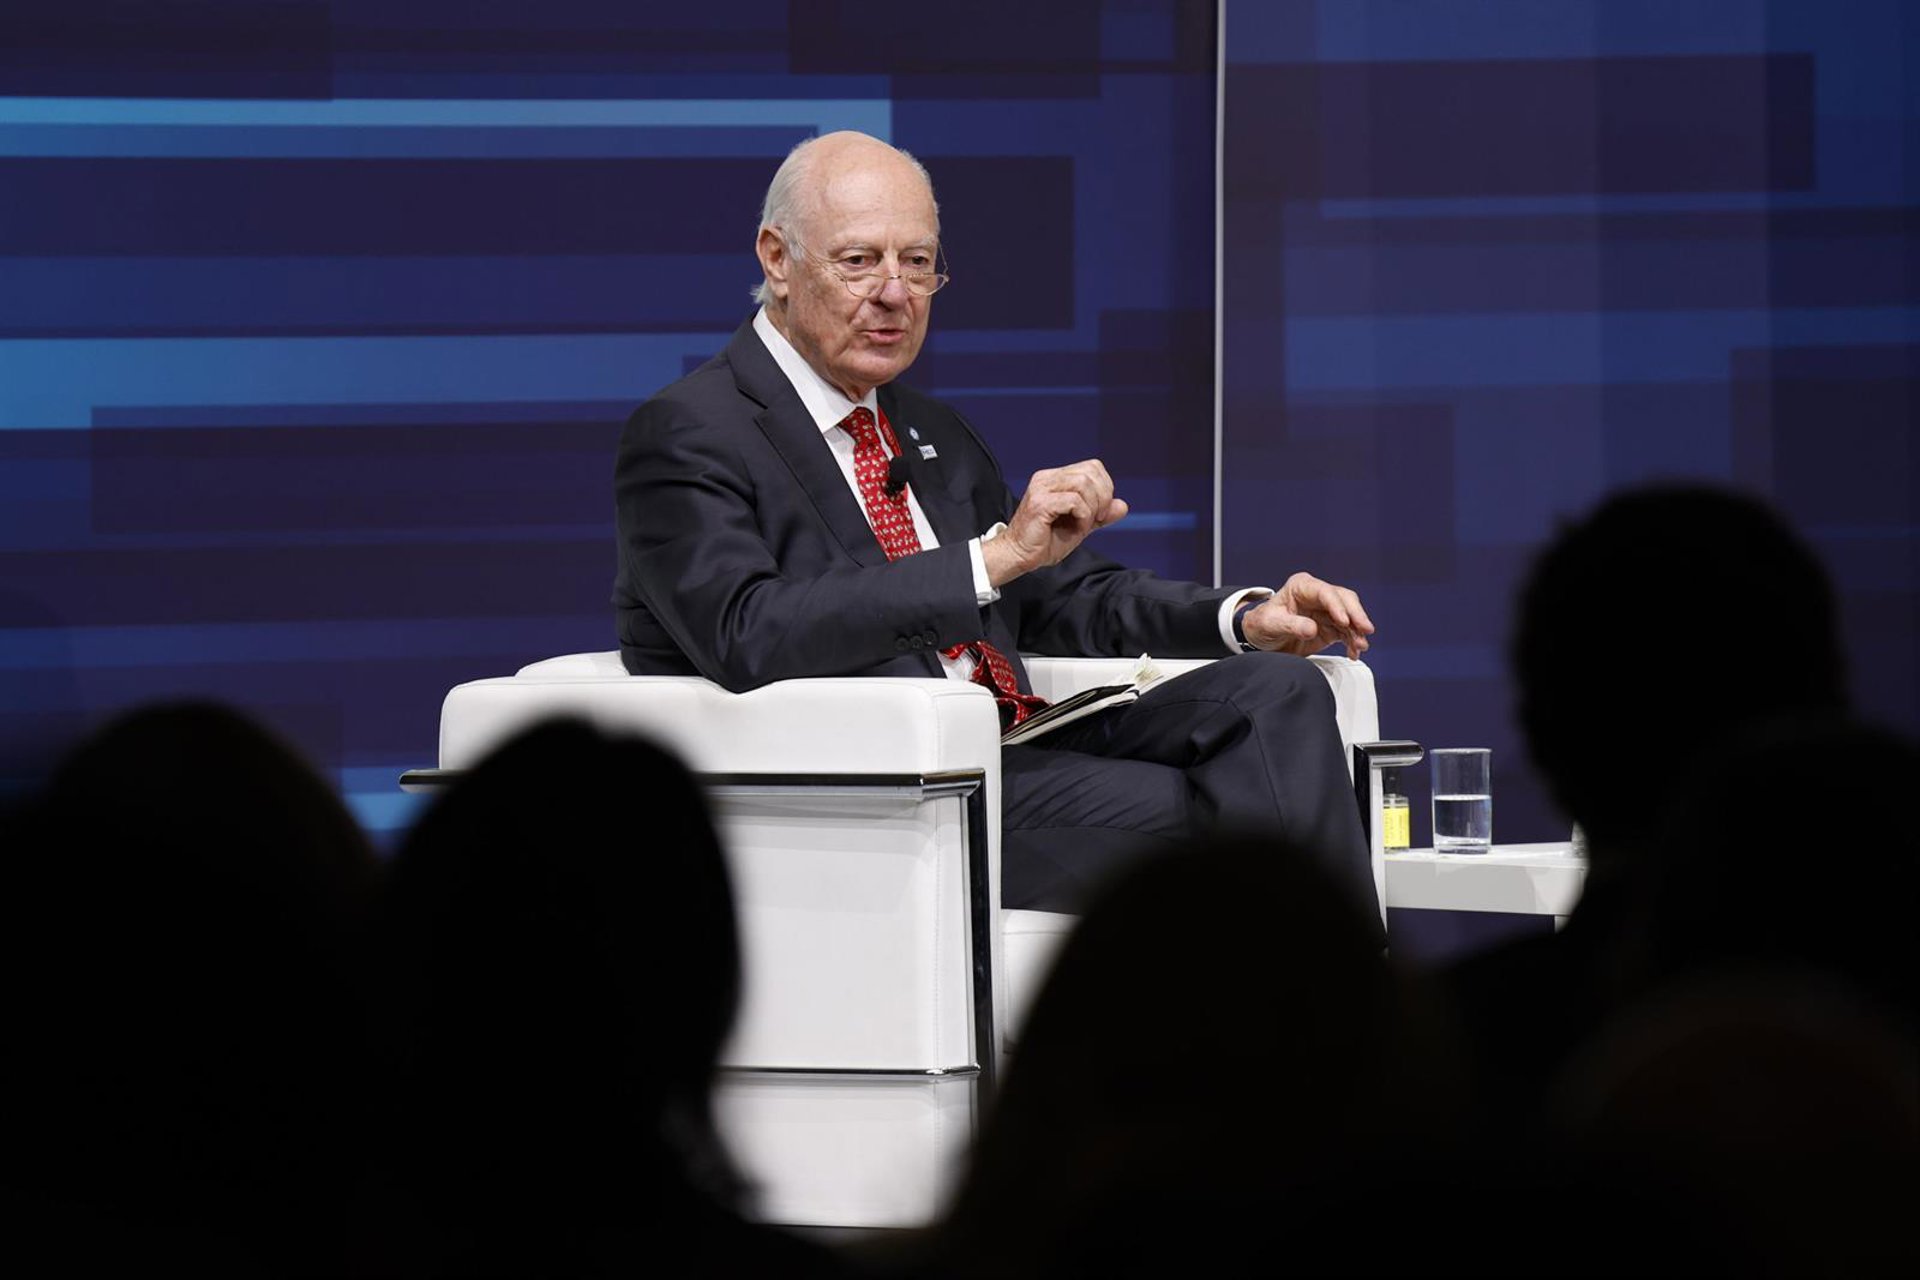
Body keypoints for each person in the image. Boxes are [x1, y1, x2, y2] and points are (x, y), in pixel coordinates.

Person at [613, 131, 1376, 914]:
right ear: (778, 259)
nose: (895, 293)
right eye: (859, 261)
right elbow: (743, 630)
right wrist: (991, 559)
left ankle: (1325, 978)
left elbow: (1057, 595)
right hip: (904, 786)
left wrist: (1246, 619)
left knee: (1278, 693)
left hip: (1025, 740)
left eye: (918, 262)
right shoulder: (691, 432)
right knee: (1253, 810)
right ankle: (1344, 982)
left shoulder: (928, 429)